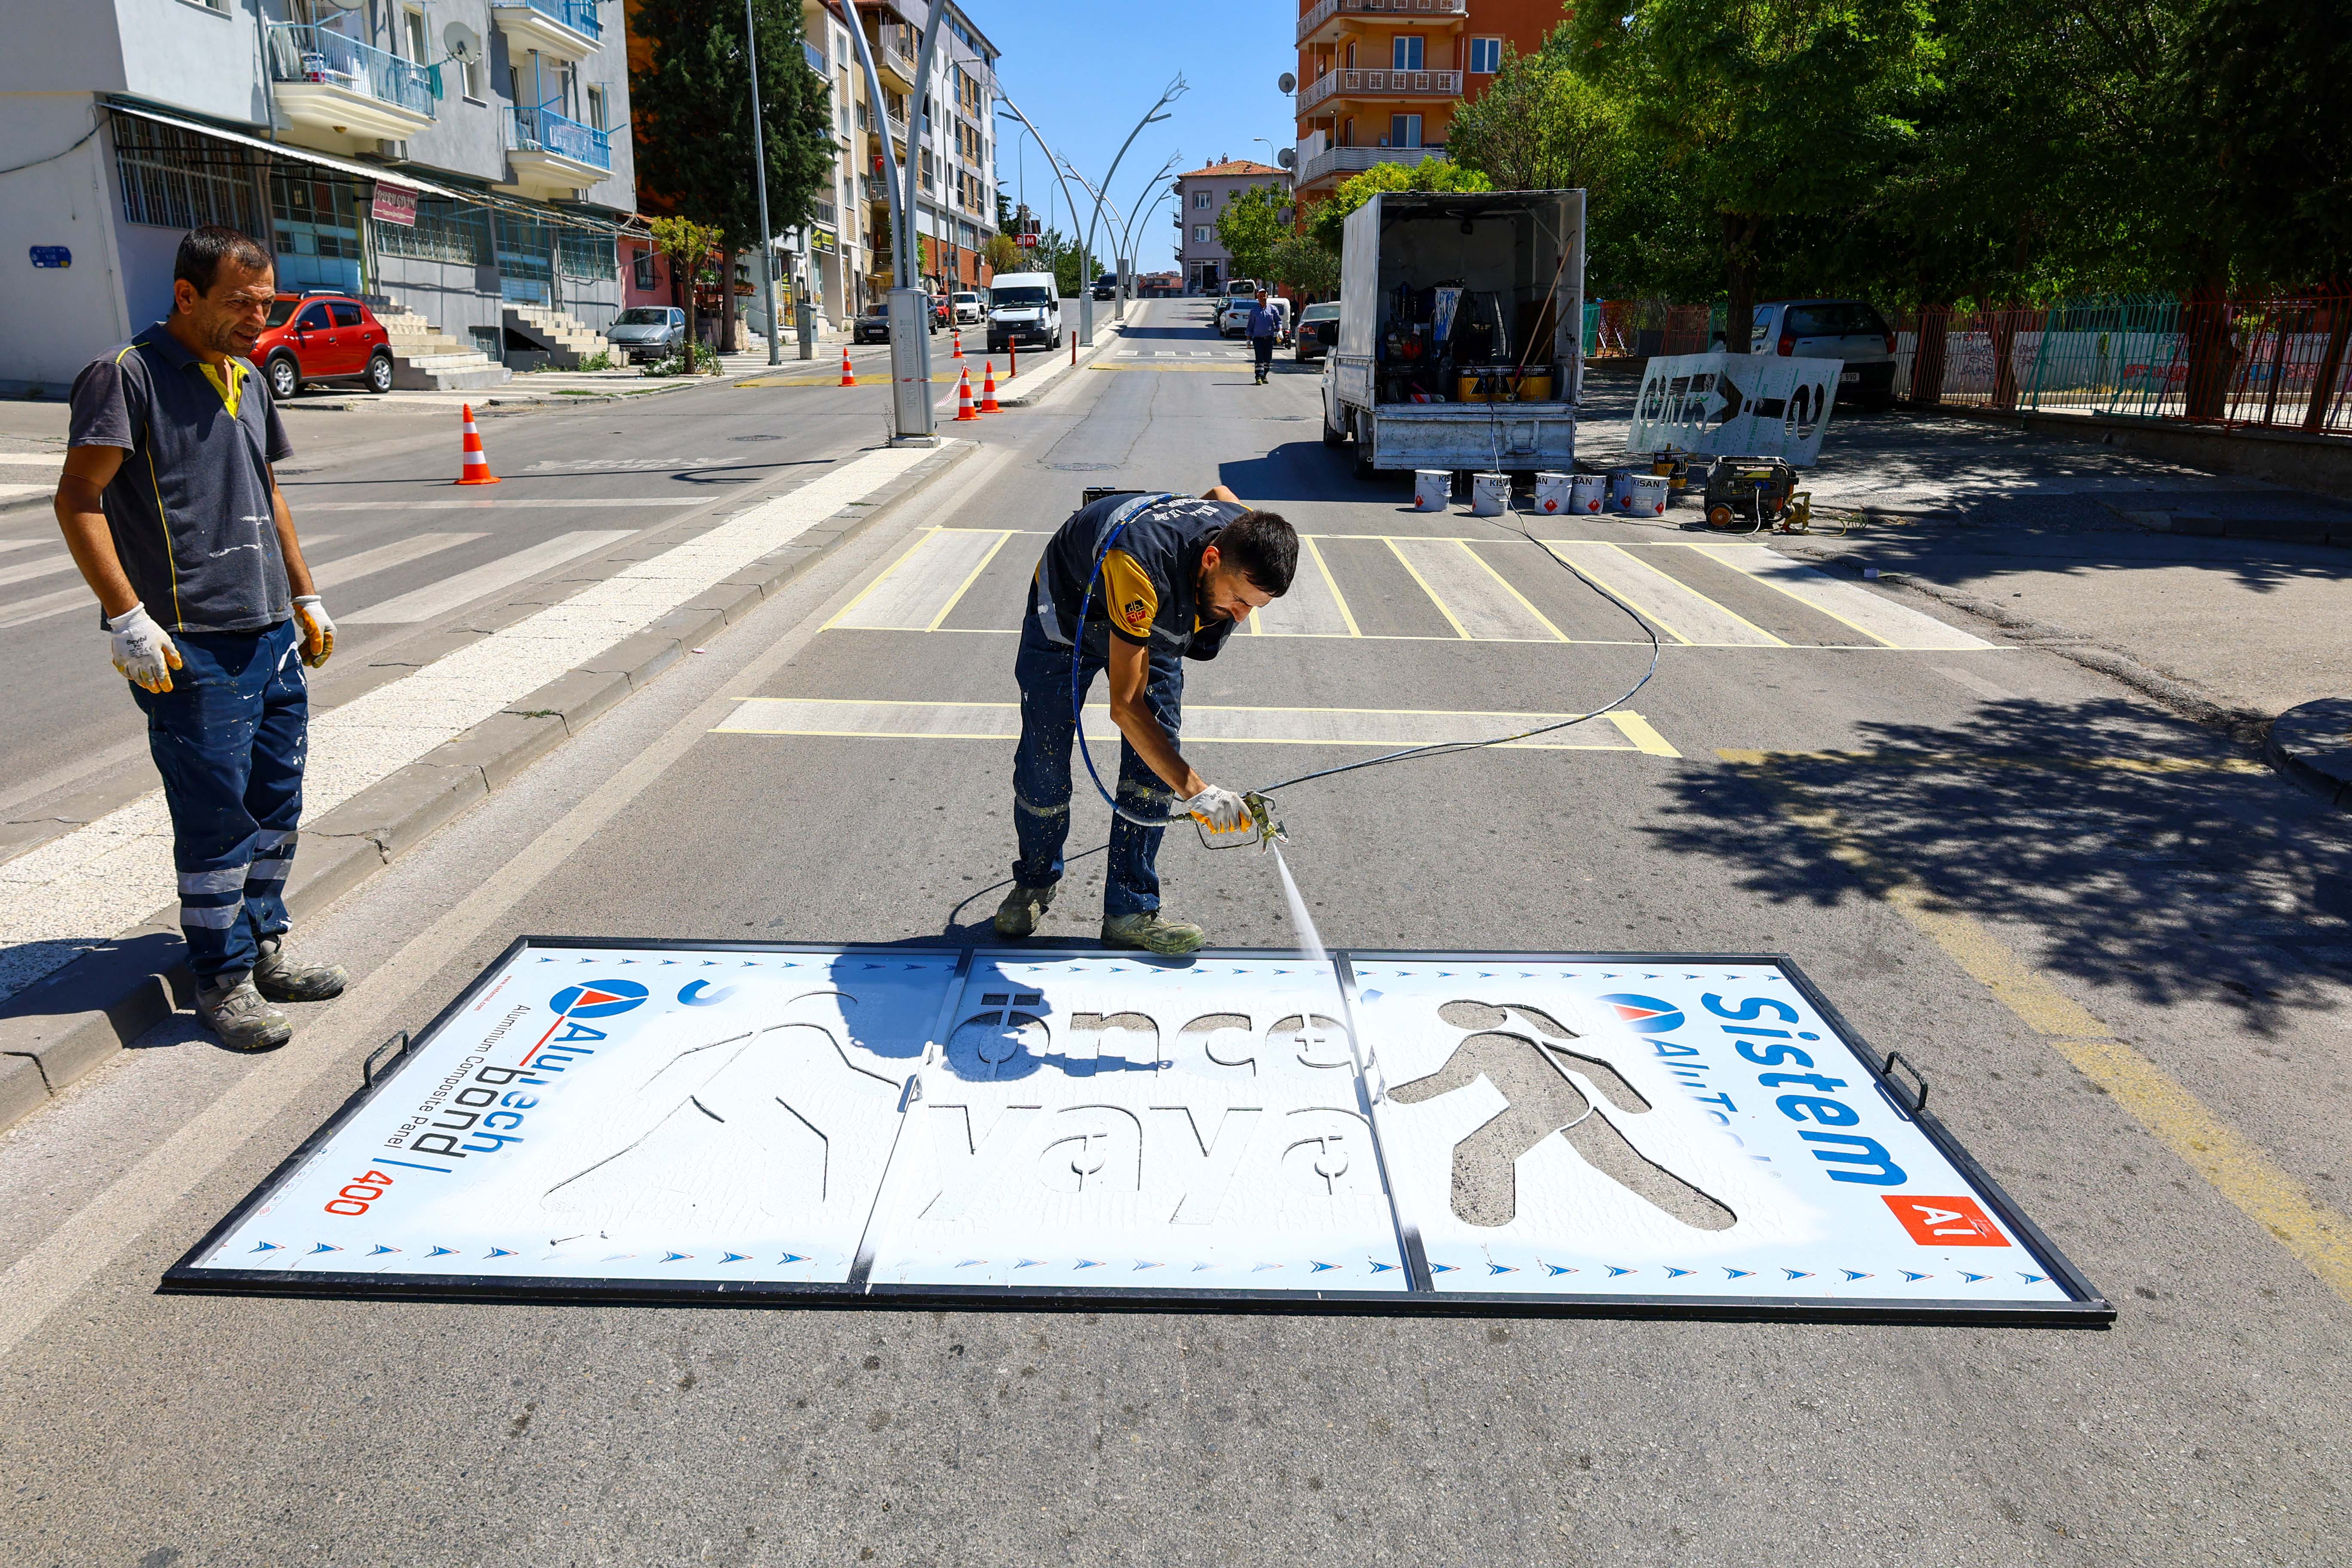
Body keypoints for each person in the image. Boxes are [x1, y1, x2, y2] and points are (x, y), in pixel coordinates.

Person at [54, 225, 346, 1052]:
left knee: (274, 804)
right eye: (240, 303)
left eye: (267, 302)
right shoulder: (127, 377)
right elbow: (78, 499)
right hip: (188, 643)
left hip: (267, 632)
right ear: (186, 295)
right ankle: (221, 980)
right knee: (216, 816)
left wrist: (306, 594)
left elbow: (269, 490)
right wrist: (125, 616)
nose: (260, 317)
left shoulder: (249, 377)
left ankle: (263, 945)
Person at [995, 487, 1298, 955]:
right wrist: (1199, 792)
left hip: (1150, 618)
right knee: (1045, 760)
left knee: (1150, 768)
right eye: (1238, 599)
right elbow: (1126, 707)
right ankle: (1034, 882)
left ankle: (1130, 912)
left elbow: (1219, 494)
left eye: (1255, 607)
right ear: (1212, 559)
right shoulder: (1140, 567)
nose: (1241, 616)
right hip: (1071, 611)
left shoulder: (1242, 526)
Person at [1246, 289, 1283, 385]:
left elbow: (1278, 321)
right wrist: (1248, 340)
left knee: (1268, 359)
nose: (1263, 298)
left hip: (1269, 339)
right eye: (1261, 296)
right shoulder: (1254, 311)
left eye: (1264, 296)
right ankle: (1258, 377)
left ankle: (1264, 376)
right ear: (1258, 298)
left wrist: (1280, 331)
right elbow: (1250, 325)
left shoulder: (1273, 309)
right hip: (1258, 339)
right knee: (1259, 358)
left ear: (1267, 297)